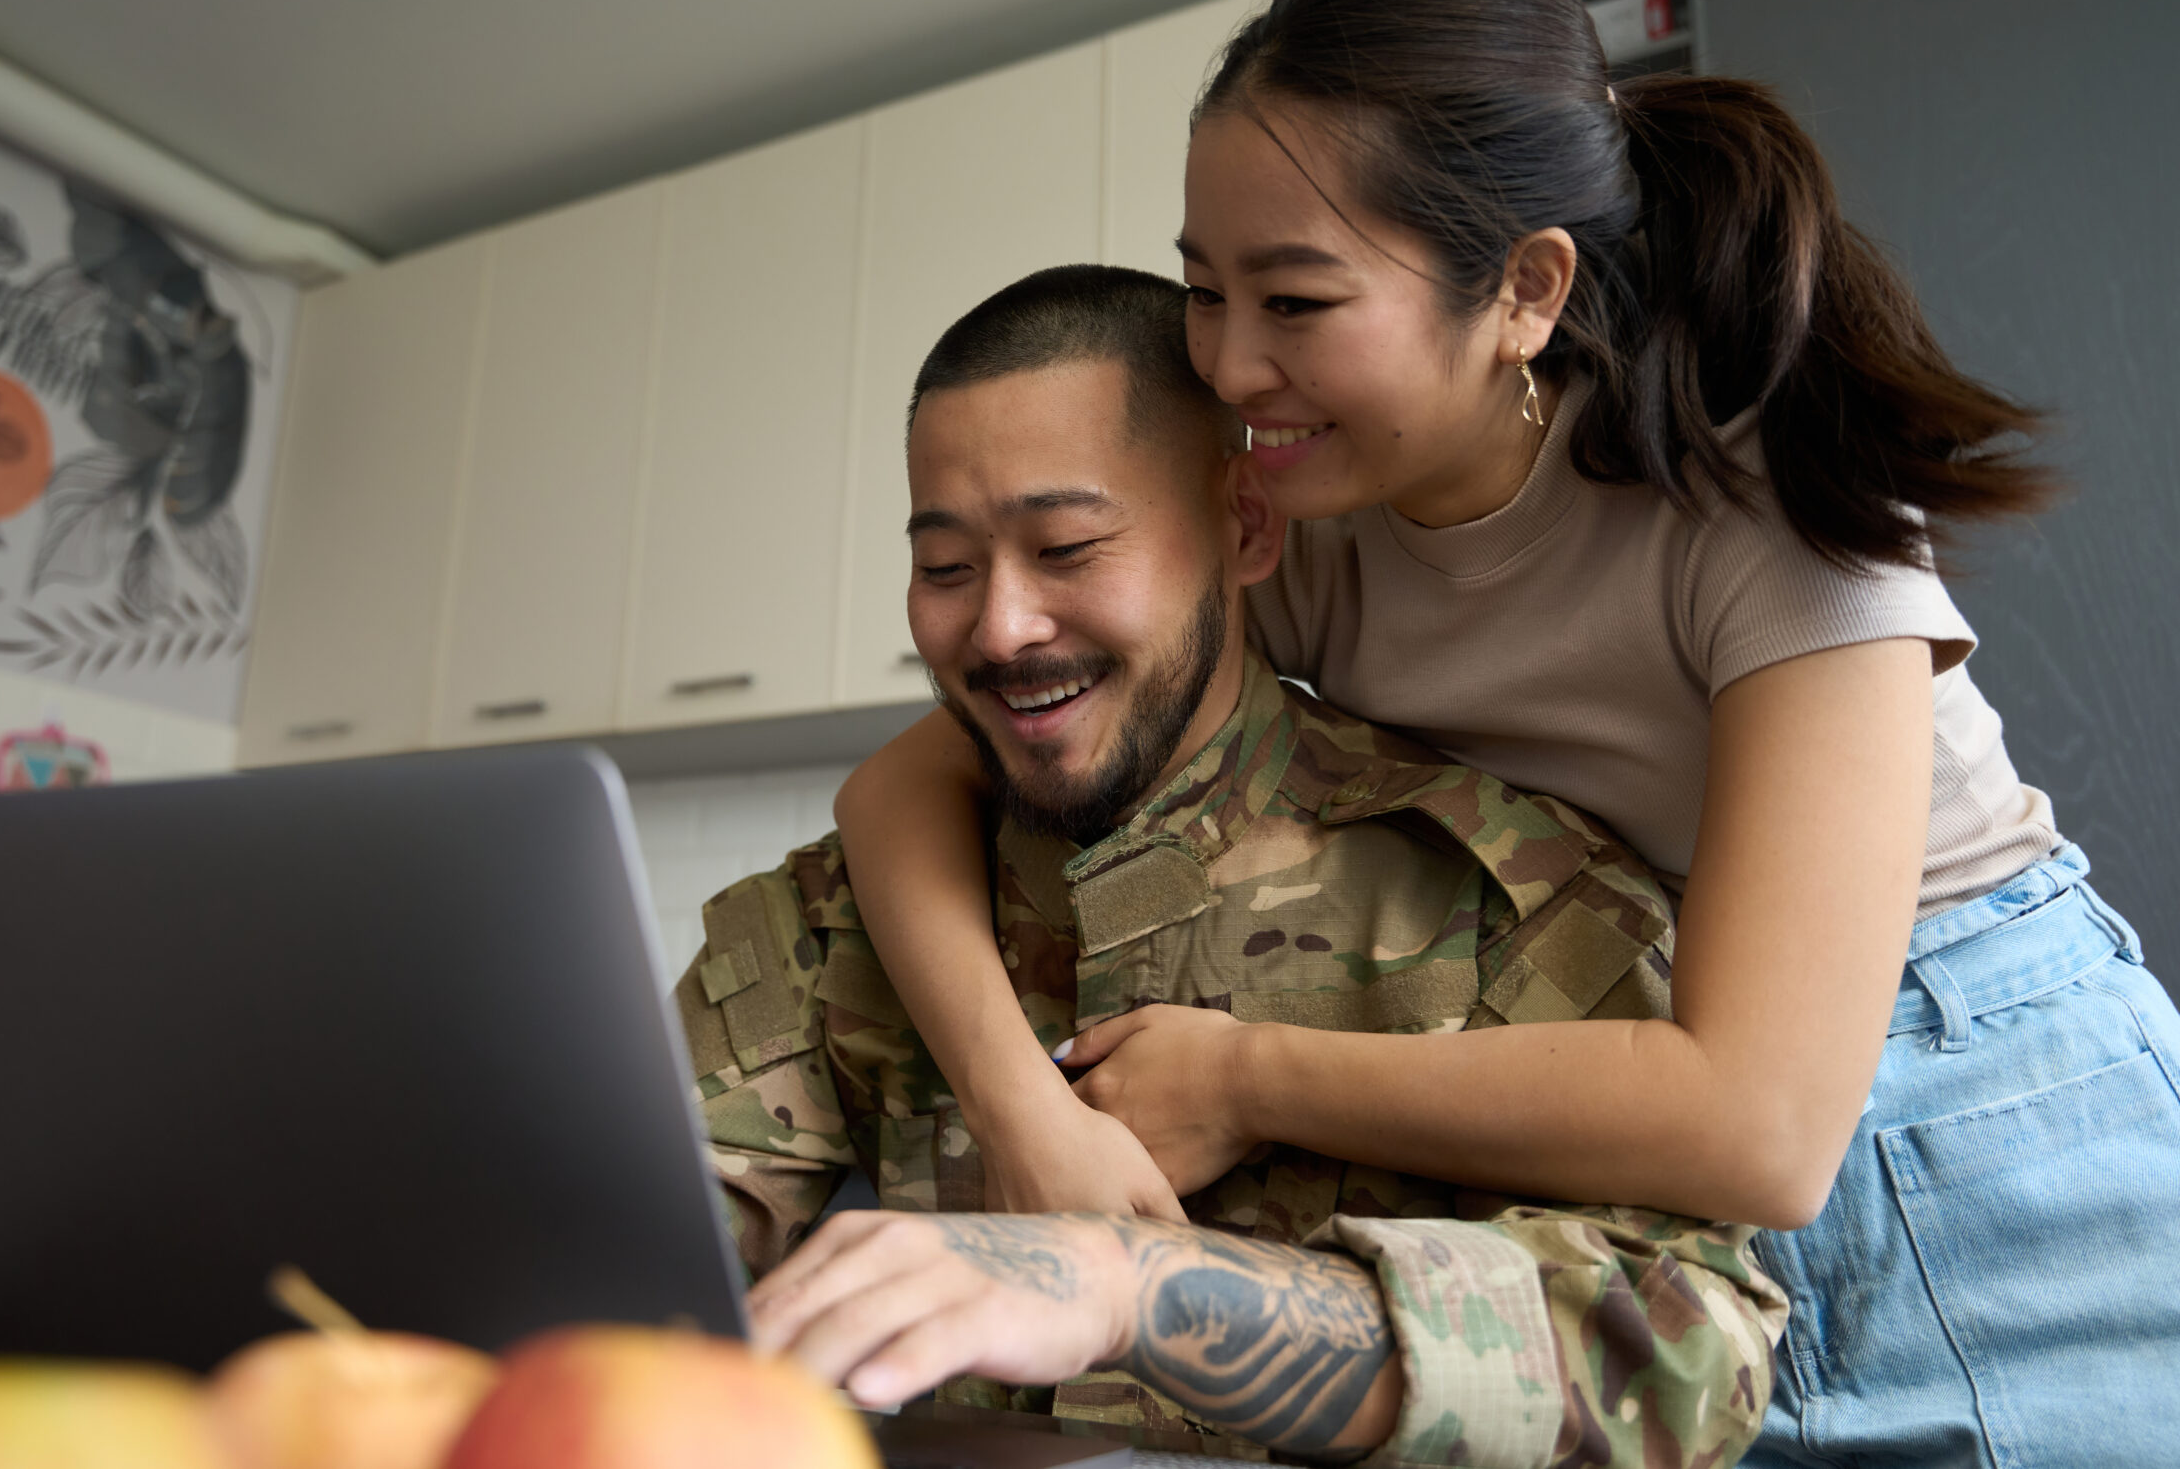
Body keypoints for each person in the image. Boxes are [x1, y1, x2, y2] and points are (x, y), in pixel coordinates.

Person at [831, 0, 2180, 1465]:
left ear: (1526, 288)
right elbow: (905, 787)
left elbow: (1761, 1119)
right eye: (1205, 290)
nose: (1230, 363)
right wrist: (1030, 1111)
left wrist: (1244, 1069)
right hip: (1604, 1126)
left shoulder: (1766, 481)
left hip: (1965, 1110)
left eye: (1297, 300)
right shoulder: (1303, 517)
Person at [688, 264, 1785, 1465]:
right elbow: (635, 1248)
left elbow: (1680, 1358)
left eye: (1065, 547)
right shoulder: (828, 919)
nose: (998, 628)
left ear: (1246, 528)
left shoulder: (1503, 895)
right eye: (945, 569)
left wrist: (1152, 1290)